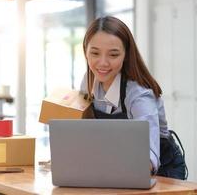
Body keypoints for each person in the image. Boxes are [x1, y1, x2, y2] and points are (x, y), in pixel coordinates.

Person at [80, 16, 187, 180]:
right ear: (85, 52)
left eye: (113, 55)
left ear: (126, 55)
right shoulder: (88, 81)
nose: (102, 63)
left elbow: (150, 155)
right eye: (95, 53)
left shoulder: (138, 94)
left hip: (162, 170)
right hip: (117, 162)